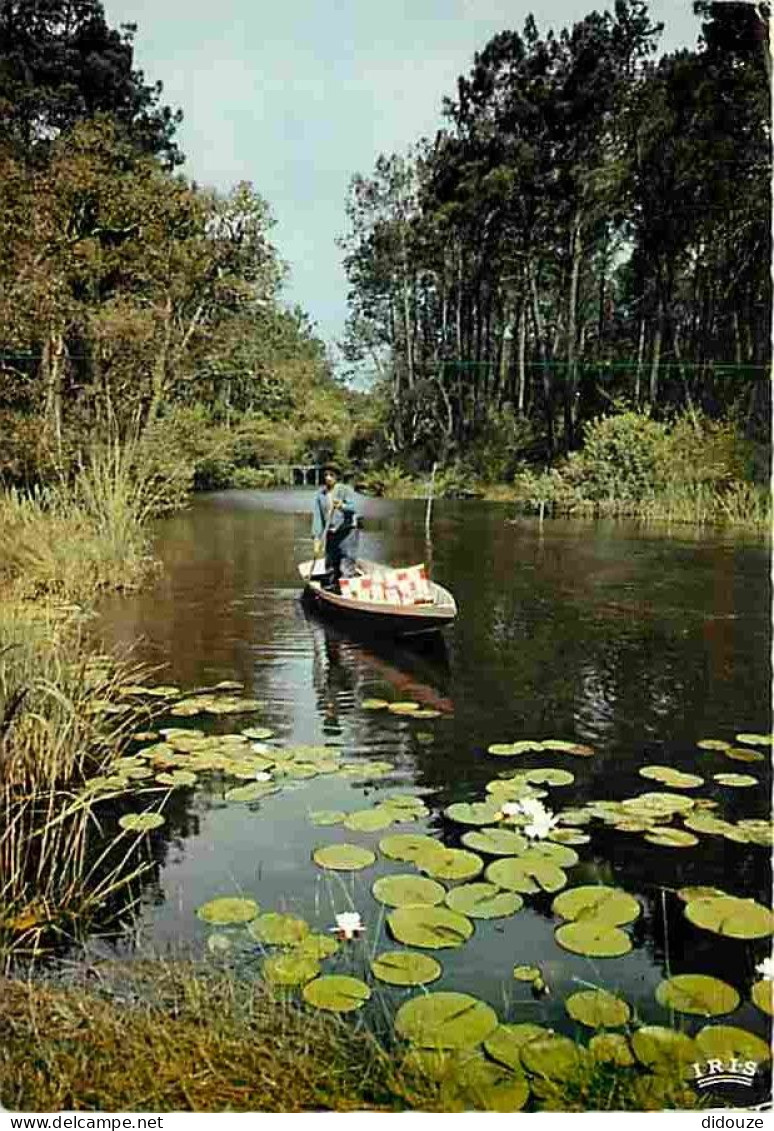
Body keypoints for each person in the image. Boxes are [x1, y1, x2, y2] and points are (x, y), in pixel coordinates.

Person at [311, 464, 359, 590]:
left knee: (346, 562)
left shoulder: (344, 490)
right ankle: (331, 588)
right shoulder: (320, 495)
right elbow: (318, 519)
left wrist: (342, 506)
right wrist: (316, 538)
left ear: (336, 477)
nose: (328, 478)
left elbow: (354, 508)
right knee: (331, 564)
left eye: (331, 475)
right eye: (326, 475)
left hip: (347, 531)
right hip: (331, 533)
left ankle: (348, 589)